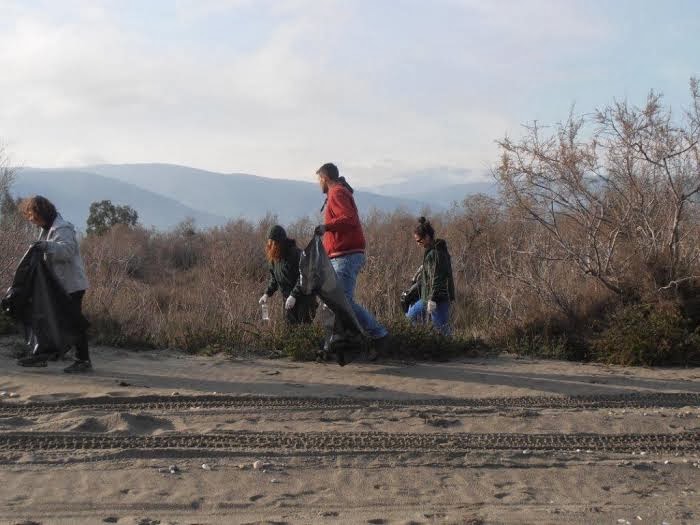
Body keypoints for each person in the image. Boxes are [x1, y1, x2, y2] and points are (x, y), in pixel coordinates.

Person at [314, 163, 388, 353]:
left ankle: (379, 335)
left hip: (345, 255)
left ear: (325, 178)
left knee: (343, 301)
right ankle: (345, 342)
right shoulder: (338, 192)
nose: (318, 184)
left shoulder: (337, 193)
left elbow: (349, 219)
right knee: (336, 301)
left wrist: (326, 227)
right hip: (342, 255)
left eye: (319, 180)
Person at [17, 195, 92, 372]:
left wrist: (45, 246)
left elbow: (67, 251)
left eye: (34, 217)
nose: (32, 221)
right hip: (58, 285)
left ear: (42, 213)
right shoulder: (47, 227)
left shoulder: (62, 228)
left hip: (71, 285)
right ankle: (43, 354)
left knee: (74, 323)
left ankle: (83, 361)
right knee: (46, 319)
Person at [406, 217, 455, 335]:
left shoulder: (435, 254)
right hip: (426, 297)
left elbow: (437, 278)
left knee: (441, 329)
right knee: (411, 317)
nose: (418, 244)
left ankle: (449, 350)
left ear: (427, 237)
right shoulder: (433, 252)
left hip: (439, 298)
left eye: (419, 241)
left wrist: (432, 299)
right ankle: (424, 342)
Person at [259, 225, 316, 324]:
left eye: (273, 243)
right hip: (288, 301)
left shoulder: (296, 254)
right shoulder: (274, 259)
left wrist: (294, 295)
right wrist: (266, 294)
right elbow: (275, 279)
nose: (270, 245)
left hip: (305, 300)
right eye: (269, 242)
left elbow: (305, 276)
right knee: (289, 330)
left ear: (280, 243)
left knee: (303, 331)